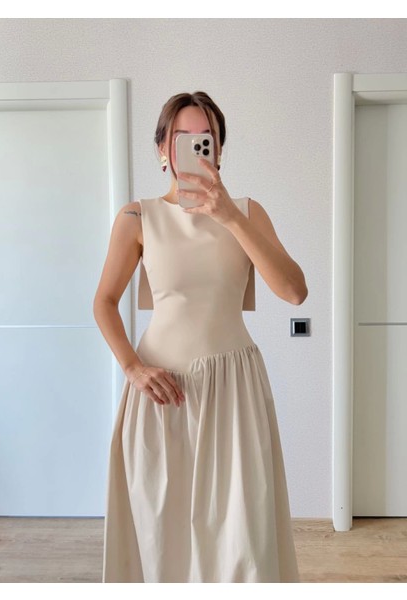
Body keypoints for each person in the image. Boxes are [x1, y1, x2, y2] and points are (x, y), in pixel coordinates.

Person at [93, 91, 308, 583]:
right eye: (181, 137)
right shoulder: (136, 217)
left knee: (243, 541)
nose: (194, 146)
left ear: (219, 149)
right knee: (161, 538)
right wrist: (132, 367)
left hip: (235, 392)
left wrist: (228, 215)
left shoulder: (248, 212)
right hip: (161, 394)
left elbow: (294, 291)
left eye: (204, 138)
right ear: (162, 148)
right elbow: (103, 301)